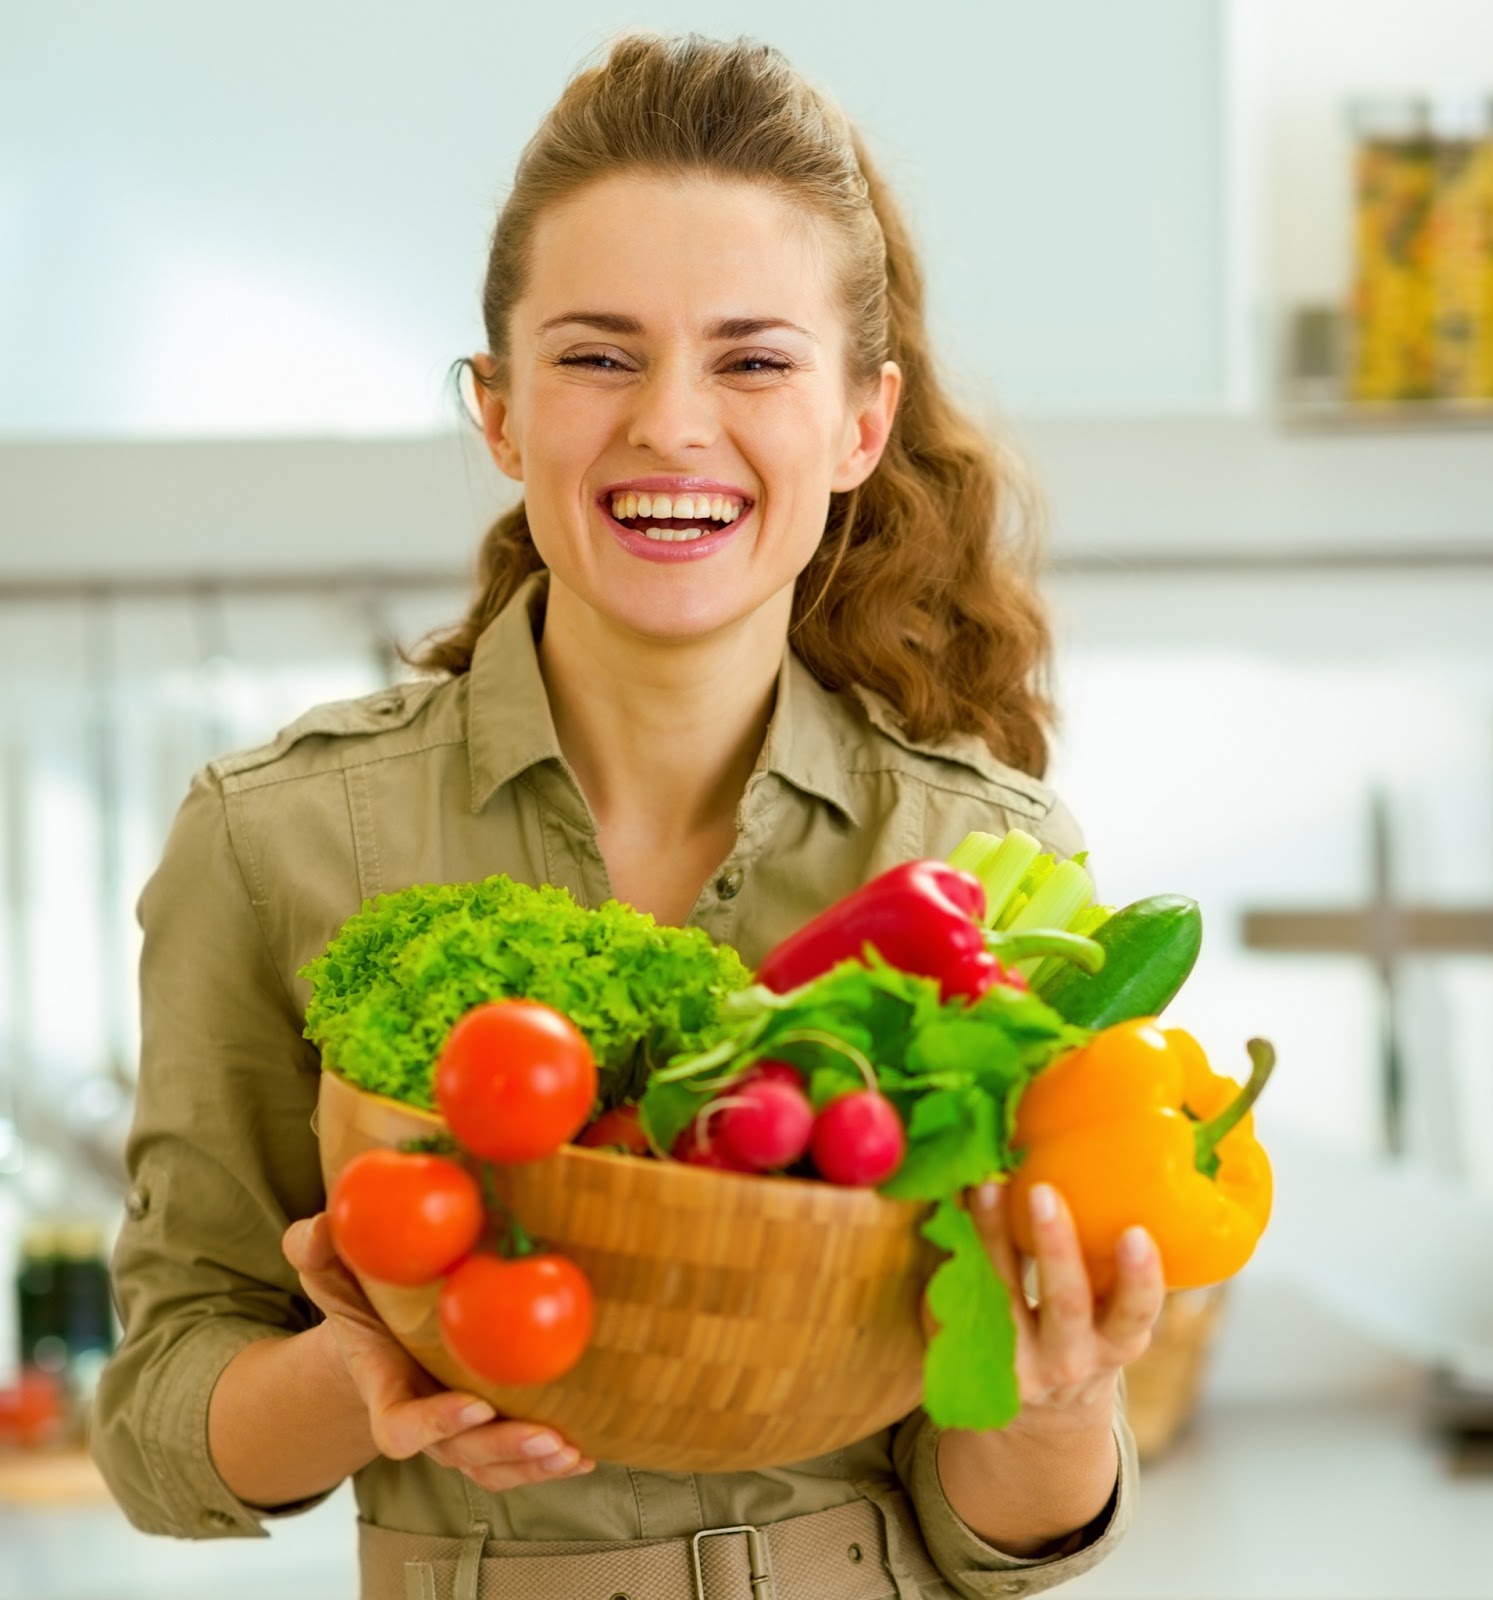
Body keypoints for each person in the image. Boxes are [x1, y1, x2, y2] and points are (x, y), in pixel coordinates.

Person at [91, 30, 1164, 1600]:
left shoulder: (984, 867)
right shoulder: (277, 842)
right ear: (502, 413)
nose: (671, 424)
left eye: (753, 360)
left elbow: (1004, 1531)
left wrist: (1060, 1394)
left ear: (861, 423)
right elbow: (157, 1427)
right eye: (598, 355)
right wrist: (365, 1370)